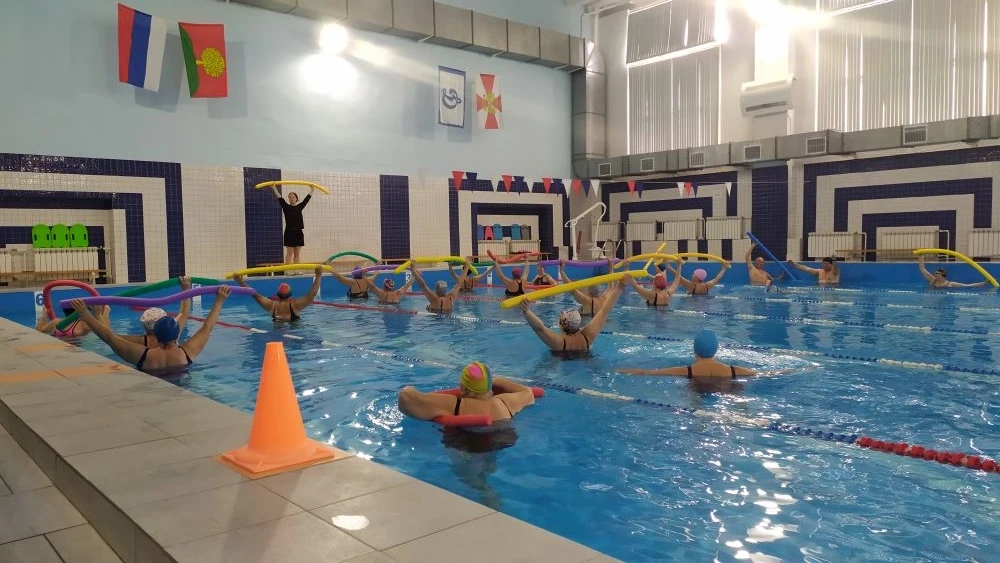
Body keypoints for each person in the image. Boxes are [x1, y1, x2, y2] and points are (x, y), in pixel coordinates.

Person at [69, 286, 230, 375]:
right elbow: (208, 326)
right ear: (177, 333)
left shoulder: (142, 355)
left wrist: (85, 314)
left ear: (156, 336)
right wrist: (219, 300)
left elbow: (109, 337)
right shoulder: (186, 353)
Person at [397, 361, 536, 423]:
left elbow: (406, 398)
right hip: (504, 440)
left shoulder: (456, 405)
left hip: (466, 445)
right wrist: (497, 381)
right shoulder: (505, 402)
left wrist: (408, 388)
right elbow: (528, 393)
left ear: (462, 388)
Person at [519, 275, 627, 354]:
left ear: (561, 325)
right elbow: (604, 311)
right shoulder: (588, 337)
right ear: (579, 323)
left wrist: (526, 311)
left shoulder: (559, 343)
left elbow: (539, 328)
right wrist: (619, 287)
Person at [617, 329, 756, 380]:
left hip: (696, 386)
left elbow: (647, 373)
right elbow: (759, 373)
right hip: (728, 386)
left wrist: (619, 370)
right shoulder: (733, 370)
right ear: (716, 349)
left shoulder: (687, 371)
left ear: (695, 350)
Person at [233, 265, 323, 321]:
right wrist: (318, 275)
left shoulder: (271, 305)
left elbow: (253, 293)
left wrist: (239, 281)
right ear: (290, 295)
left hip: (277, 331)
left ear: (277, 295)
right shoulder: (295, 305)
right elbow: (312, 295)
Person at [120, 276, 192, 346]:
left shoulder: (140, 342)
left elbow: (114, 337)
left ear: (144, 326)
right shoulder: (173, 336)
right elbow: (184, 313)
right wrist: (186, 288)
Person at [270, 184, 313, 265]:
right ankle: (288, 270)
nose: (291, 198)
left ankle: (296, 269)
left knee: (297, 254)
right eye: (289, 197)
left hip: (298, 232)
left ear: (296, 199)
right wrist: (274, 187)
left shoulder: (300, 207)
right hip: (289, 233)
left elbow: (307, 199)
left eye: (293, 197)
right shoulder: (286, 207)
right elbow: (279, 197)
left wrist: (312, 189)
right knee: (289, 253)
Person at [36, 303, 109, 338]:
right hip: (75, 351)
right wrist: (104, 312)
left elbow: (38, 331)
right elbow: (106, 333)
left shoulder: (56, 322)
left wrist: (44, 315)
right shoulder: (83, 324)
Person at [917, 255, 990, 289]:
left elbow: (967, 286)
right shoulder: (932, 280)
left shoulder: (950, 284)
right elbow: (922, 269)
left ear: (942, 275)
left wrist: (984, 283)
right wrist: (921, 257)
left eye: (937, 273)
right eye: (935, 273)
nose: (935, 274)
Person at [666, 261, 731, 295]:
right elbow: (717, 278)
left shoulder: (691, 285)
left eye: (694, 274)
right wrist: (724, 268)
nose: (692, 275)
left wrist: (668, 265)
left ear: (697, 278)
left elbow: (678, 276)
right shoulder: (707, 285)